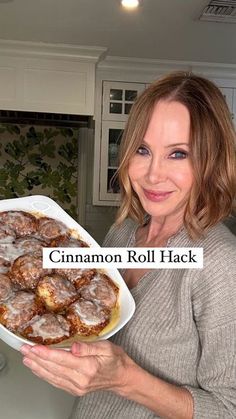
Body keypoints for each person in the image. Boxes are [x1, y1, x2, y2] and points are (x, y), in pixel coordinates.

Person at [20, 72, 236, 419]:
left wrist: (125, 380)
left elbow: (228, 409)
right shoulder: (122, 232)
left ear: (211, 162)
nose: (152, 175)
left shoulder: (221, 264)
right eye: (143, 149)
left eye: (178, 154)